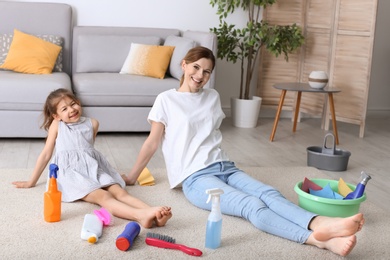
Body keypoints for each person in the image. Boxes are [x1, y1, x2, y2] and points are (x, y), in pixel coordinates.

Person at [122, 46, 364, 256]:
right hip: (195, 177)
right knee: (250, 205)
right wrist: (132, 176)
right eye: (195, 68)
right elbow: (152, 142)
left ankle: (321, 222)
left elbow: (210, 136)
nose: (200, 75)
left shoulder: (213, 97)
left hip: (224, 166)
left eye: (206, 72)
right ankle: (318, 240)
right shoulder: (166, 99)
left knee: (269, 193)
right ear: (184, 66)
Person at [12, 88, 171, 228]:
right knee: (104, 196)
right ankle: (140, 216)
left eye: (73, 104)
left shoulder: (93, 123)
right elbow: (46, 153)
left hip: (93, 168)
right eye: (64, 108)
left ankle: (154, 213)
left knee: (120, 192)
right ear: (56, 115)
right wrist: (31, 181)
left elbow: (88, 151)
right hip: (71, 173)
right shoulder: (57, 125)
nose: (71, 109)